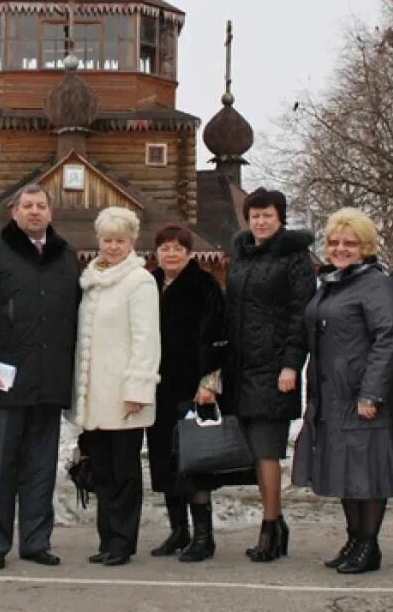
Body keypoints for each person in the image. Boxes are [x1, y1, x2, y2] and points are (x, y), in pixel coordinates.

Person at [0, 184, 79, 571]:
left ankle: (35, 540)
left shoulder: (65, 256)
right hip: (2, 380)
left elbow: (74, 318)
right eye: (27, 206)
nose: (34, 212)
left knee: (41, 467)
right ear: (14, 212)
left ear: (51, 213)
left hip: (49, 381)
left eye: (41, 206)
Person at [294, 207, 393, 575]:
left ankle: (369, 545)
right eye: (335, 242)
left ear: (366, 247)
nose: (341, 248)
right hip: (331, 395)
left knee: (367, 473)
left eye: (350, 243)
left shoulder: (374, 283)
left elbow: (386, 338)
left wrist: (371, 393)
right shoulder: (332, 281)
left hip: (361, 396)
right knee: (344, 471)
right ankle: (354, 538)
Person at [221, 187, 313, 563]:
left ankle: (271, 526)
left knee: (267, 451)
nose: (260, 222)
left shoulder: (294, 258)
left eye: (267, 216)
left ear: (280, 219)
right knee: (253, 452)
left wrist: (292, 363)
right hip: (241, 367)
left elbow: (300, 314)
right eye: (255, 216)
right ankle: (276, 522)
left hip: (274, 368)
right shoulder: (241, 255)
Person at [70, 206, 160, 567]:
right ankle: (107, 539)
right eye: (107, 240)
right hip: (95, 395)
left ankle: (123, 542)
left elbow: (146, 338)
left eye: (119, 240)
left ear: (132, 242)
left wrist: (138, 388)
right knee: (102, 472)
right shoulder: (92, 279)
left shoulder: (139, 281)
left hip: (124, 395)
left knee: (124, 473)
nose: (112, 246)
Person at [145, 223, 226, 563]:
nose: (171, 254)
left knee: (194, 461)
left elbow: (219, 334)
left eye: (178, 248)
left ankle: (204, 536)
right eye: (165, 248)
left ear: (188, 252)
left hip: (192, 387)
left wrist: (210, 381)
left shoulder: (204, 284)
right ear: (157, 253)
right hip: (157, 386)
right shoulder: (148, 284)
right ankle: (179, 530)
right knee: (165, 459)